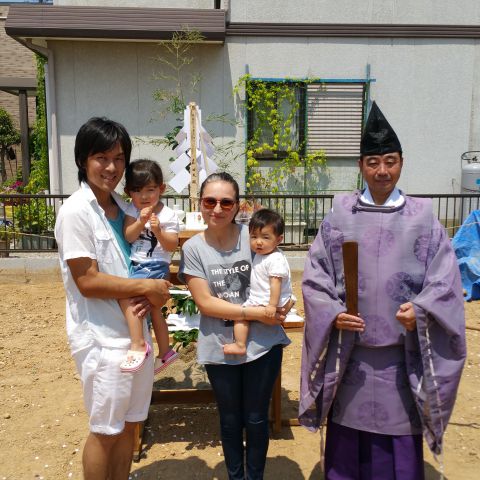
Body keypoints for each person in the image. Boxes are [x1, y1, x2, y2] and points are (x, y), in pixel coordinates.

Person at [299, 102, 466, 479]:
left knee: (399, 449)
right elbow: (315, 278)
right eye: (373, 163)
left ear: (401, 163)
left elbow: (445, 282)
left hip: (401, 359)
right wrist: (331, 312)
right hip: (351, 357)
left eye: (389, 161)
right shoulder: (341, 215)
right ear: (361, 166)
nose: (382, 171)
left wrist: (421, 309)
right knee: (348, 447)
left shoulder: (422, 217)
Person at [54, 117, 171, 479]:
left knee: (129, 426)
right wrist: (146, 288)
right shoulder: (76, 212)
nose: (112, 167)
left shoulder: (122, 206)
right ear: (82, 160)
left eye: (119, 158)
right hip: (102, 340)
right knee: (105, 430)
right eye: (101, 157)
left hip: (134, 338)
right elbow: (87, 281)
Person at [179, 172, 292, 480]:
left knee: (256, 418)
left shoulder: (253, 235)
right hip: (219, 345)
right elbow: (206, 303)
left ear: (238, 205)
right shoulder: (193, 249)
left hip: (263, 345)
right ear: (200, 204)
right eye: (210, 201)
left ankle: (254, 477)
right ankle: (235, 476)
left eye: (226, 201)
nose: (217, 208)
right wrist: (256, 312)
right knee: (230, 420)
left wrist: (283, 304)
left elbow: (279, 272)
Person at [119, 159, 179, 374]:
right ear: (128, 192)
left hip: (155, 265)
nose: (144, 196)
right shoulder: (130, 210)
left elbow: (172, 245)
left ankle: (138, 345)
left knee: (127, 297)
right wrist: (140, 223)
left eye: (150, 190)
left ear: (161, 189)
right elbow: (128, 236)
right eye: (137, 190)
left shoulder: (168, 215)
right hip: (138, 264)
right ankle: (165, 352)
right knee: (154, 310)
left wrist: (159, 232)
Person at [224, 208, 294, 355]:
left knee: (240, 317)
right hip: (263, 298)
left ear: (279, 239)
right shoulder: (263, 254)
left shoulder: (275, 259)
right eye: (254, 237)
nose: (258, 242)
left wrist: (272, 305)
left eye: (265, 237)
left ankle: (240, 344)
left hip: (267, 300)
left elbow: (276, 283)